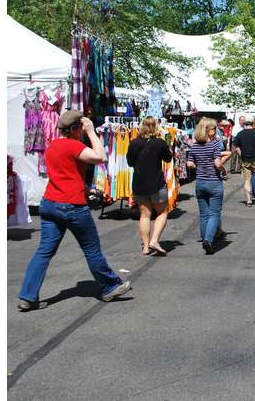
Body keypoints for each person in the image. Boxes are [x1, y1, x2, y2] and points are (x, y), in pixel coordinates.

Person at [17, 110, 131, 311]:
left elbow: (65, 173)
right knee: (91, 250)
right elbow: (100, 157)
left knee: (44, 252)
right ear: (77, 128)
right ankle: (110, 286)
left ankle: (27, 296)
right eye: (82, 128)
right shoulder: (74, 145)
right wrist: (92, 132)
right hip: (71, 206)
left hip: (50, 203)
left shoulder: (53, 146)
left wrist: (85, 188)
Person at [127, 116, 173, 256]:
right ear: (156, 127)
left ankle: (146, 247)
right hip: (156, 183)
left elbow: (130, 162)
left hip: (139, 183)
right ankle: (154, 240)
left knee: (145, 215)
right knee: (162, 212)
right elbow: (168, 158)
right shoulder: (159, 143)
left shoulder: (134, 143)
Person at [187, 117, 226, 255]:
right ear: (207, 130)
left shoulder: (194, 145)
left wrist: (199, 165)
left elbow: (189, 164)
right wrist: (224, 171)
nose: (216, 131)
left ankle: (205, 238)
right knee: (214, 213)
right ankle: (208, 240)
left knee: (204, 214)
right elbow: (217, 163)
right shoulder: (215, 144)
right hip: (214, 182)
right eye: (214, 128)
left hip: (200, 183)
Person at [233, 117, 255, 207]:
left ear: (245, 124)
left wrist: (241, 155)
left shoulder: (240, 134)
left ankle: (248, 200)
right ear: (252, 124)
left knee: (247, 180)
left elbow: (237, 147)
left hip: (245, 159)